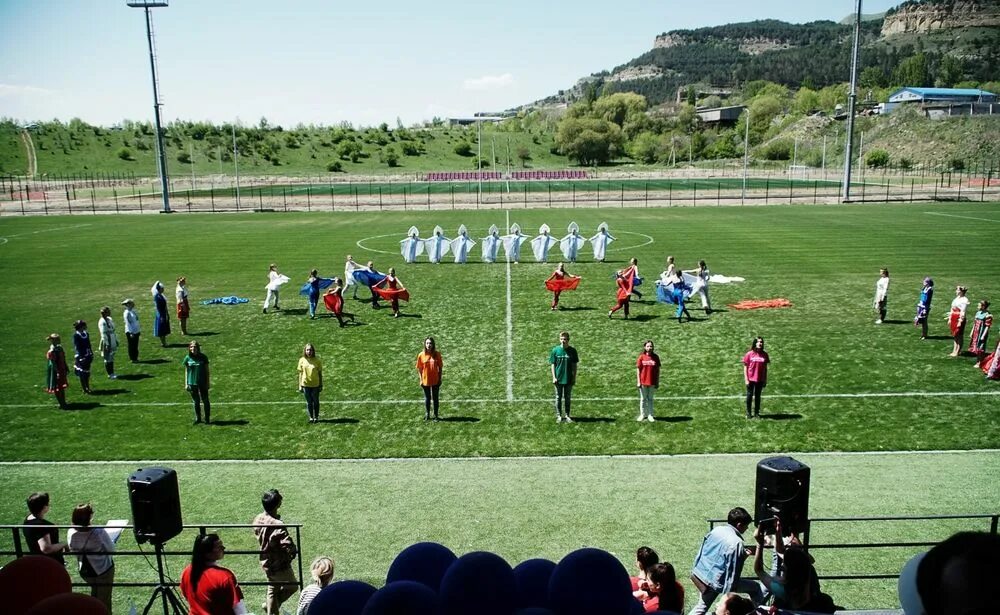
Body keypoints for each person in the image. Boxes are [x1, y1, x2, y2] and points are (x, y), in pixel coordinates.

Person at [688, 507, 762, 615]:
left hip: (702, 576)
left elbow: (705, 552)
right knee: (755, 587)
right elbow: (733, 574)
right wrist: (728, 597)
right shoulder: (736, 542)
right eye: (746, 525)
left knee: (701, 607)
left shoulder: (717, 530)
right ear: (739, 525)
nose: (747, 528)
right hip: (718, 582)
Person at [253, 489, 299, 615]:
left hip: (266, 560)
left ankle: (270, 609)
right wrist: (293, 551)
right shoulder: (277, 524)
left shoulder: (257, 519)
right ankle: (271, 608)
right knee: (293, 586)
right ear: (277, 504)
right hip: (279, 563)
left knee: (273, 588)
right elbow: (287, 543)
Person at [180, 533, 248, 615]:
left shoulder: (187, 571)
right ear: (207, 553)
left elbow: (187, 596)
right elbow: (239, 610)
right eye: (219, 547)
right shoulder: (225, 576)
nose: (223, 548)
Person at [67, 503, 117, 612]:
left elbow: (73, 549)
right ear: (90, 517)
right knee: (104, 602)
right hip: (103, 570)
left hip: (86, 571)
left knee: (95, 596)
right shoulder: (98, 532)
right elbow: (111, 549)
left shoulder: (71, 532)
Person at [23, 492, 67, 565]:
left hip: (38, 562)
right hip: (50, 565)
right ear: (44, 507)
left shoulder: (28, 520)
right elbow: (46, 549)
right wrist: (64, 544)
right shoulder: (42, 526)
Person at [549, 331, 578, 423]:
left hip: (568, 378)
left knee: (567, 397)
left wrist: (574, 377)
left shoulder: (573, 351)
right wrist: (554, 377)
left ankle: (567, 415)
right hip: (558, 379)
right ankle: (559, 416)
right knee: (558, 397)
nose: (563, 341)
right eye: (561, 339)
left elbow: (574, 365)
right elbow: (553, 364)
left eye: (565, 339)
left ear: (568, 340)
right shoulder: (555, 350)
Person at [183, 341, 211, 424]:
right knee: (196, 401)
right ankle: (198, 418)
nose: (193, 348)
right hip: (192, 383)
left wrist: (208, 383)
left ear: (198, 348)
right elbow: (186, 371)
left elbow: (207, 371)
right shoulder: (187, 358)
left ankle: (207, 418)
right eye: (191, 347)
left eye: (194, 347)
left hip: (202, 382)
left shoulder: (203, 357)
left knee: (205, 400)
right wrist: (186, 383)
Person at [416, 336, 444, 421]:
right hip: (425, 380)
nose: (429, 345)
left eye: (430, 343)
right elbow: (419, 368)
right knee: (427, 398)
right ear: (425, 344)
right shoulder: (421, 355)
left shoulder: (437, 354)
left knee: (435, 398)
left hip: (435, 380)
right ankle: (427, 414)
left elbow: (440, 367)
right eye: (427, 343)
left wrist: (440, 378)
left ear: (433, 345)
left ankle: (435, 415)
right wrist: (421, 379)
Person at [742, 337, 769, 419]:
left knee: (758, 396)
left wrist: (765, 379)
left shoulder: (765, 354)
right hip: (750, 379)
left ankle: (757, 413)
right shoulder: (749, 354)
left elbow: (765, 368)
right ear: (755, 343)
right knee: (749, 396)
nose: (760, 343)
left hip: (760, 379)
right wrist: (746, 379)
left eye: (761, 342)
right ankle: (748, 413)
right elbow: (745, 367)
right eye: (758, 342)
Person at [297, 344, 323, 423]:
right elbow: (300, 374)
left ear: (313, 351)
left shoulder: (317, 361)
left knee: (316, 401)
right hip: (305, 385)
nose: (309, 352)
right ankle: (311, 417)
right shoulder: (301, 360)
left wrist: (321, 384)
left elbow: (320, 374)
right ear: (305, 351)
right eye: (307, 350)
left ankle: (316, 417)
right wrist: (300, 385)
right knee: (309, 402)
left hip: (315, 385)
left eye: (310, 350)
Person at [636, 340, 660, 423]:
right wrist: (638, 381)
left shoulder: (656, 357)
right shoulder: (641, 357)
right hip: (643, 382)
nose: (649, 348)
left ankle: (650, 415)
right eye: (648, 346)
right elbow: (638, 370)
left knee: (650, 399)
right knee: (643, 399)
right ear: (644, 347)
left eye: (651, 346)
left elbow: (658, 371)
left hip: (652, 382)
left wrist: (657, 382)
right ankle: (642, 414)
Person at [45, 334, 69, 409]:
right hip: (55, 370)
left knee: (61, 386)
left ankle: (63, 401)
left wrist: (66, 366)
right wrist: (57, 372)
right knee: (57, 387)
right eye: (58, 339)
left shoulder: (60, 348)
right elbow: (53, 363)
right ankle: (61, 403)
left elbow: (63, 358)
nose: (59, 340)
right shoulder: (52, 351)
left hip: (61, 368)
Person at [947, 285, 970, 357]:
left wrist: (960, 321)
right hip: (954, 317)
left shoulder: (964, 300)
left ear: (961, 291)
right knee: (955, 335)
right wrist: (950, 318)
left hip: (959, 318)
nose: (956, 291)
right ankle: (954, 350)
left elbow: (963, 311)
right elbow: (952, 308)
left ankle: (958, 351)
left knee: (959, 335)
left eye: (957, 290)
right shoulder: (956, 298)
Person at [72, 320, 94, 394]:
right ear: (81, 327)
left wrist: (91, 352)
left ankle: (87, 386)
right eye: (84, 325)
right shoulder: (76, 335)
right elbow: (77, 347)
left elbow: (89, 344)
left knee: (87, 372)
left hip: (87, 355)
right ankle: (84, 388)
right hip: (81, 356)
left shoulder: (86, 334)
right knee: (82, 373)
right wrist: (81, 357)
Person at [98, 306, 119, 380]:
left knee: (112, 357)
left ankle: (112, 372)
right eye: (108, 311)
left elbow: (113, 329)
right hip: (107, 339)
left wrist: (116, 340)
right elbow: (103, 333)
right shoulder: (102, 322)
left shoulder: (109, 319)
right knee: (107, 358)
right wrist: (106, 343)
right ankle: (110, 373)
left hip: (112, 337)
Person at [152, 281, 171, 347]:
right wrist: (162, 316)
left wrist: (167, 313)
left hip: (163, 313)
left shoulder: (161, 295)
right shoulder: (157, 297)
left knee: (164, 328)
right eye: (162, 288)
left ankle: (164, 342)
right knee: (161, 329)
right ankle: (163, 343)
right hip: (161, 314)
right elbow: (158, 307)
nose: (163, 289)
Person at [122, 298, 141, 363]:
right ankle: (132, 358)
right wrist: (131, 332)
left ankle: (135, 357)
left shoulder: (133, 311)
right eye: (131, 303)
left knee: (135, 345)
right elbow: (128, 324)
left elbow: (136, 319)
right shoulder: (126, 313)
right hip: (131, 331)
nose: (133, 304)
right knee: (132, 345)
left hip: (136, 330)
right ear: (128, 304)